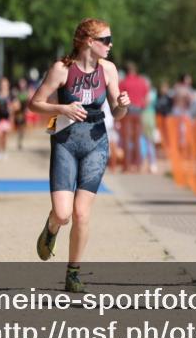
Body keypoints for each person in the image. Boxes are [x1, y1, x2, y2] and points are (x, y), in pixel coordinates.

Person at [29, 18, 130, 293]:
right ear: (89, 41)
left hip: (96, 144)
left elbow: (118, 114)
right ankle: (51, 227)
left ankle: (73, 273)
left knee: (81, 214)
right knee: (63, 214)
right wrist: (62, 109)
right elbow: (34, 103)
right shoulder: (62, 69)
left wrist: (122, 106)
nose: (110, 46)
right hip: (66, 142)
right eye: (106, 40)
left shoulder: (108, 70)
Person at [0, 77, 13, 159]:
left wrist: (12, 118)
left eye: (5, 84)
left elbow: (14, 106)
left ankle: (3, 151)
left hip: (6, 118)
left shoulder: (10, 95)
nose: (4, 86)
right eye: (2, 84)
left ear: (8, 85)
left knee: (4, 136)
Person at [13, 77, 31, 150]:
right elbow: (14, 102)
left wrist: (28, 109)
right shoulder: (16, 92)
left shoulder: (27, 92)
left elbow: (29, 102)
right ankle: (19, 141)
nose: (21, 84)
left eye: (23, 83)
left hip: (24, 112)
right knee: (20, 126)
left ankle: (20, 141)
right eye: (20, 83)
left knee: (23, 128)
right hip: (18, 112)